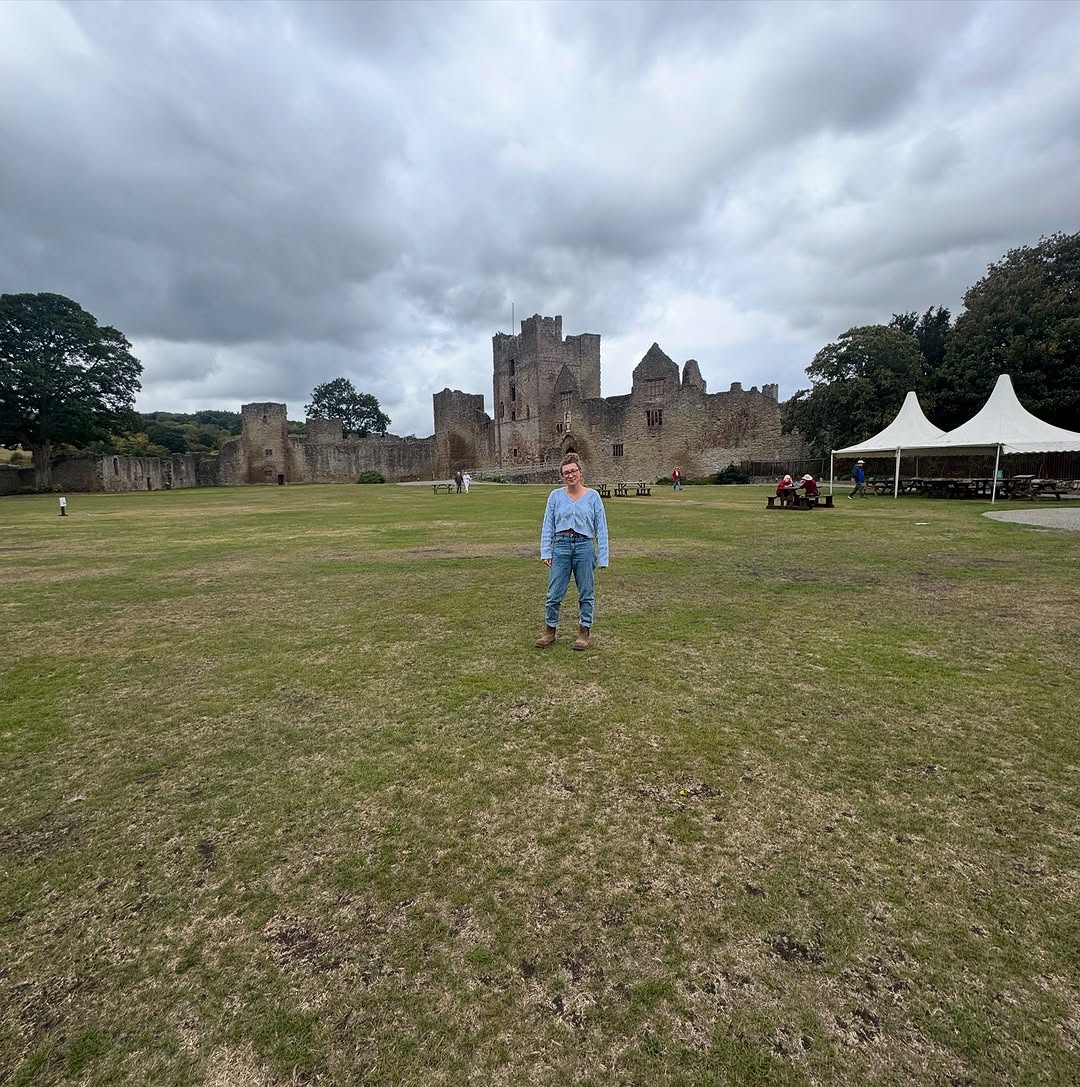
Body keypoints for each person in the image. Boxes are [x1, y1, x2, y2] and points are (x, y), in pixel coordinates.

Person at [536, 455, 609, 651]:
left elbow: (601, 527)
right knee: (554, 593)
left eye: (573, 471)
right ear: (562, 476)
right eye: (566, 472)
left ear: (580, 472)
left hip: (584, 547)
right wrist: (546, 551)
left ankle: (584, 632)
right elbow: (548, 525)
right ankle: (549, 631)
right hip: (561, 546)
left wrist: (603, 556)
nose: (570, 475)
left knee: (586, 592)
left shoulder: (593, 497)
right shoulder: (555, 496)